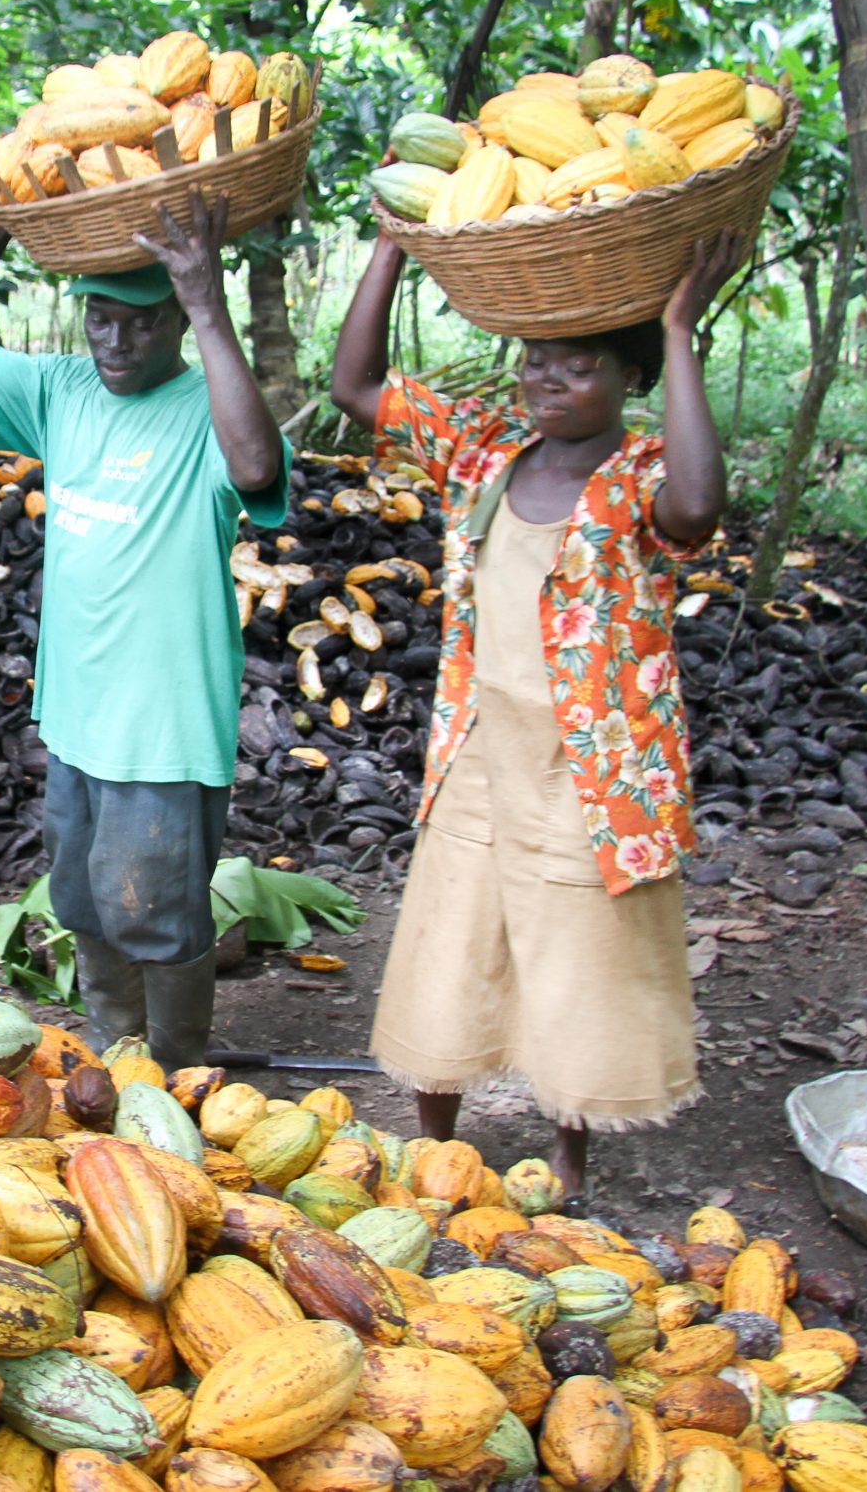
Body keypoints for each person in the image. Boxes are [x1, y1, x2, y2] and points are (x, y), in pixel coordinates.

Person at [326, 228, 747, 1200]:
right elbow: (358, 389)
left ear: (627, 381)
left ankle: (568, 1155)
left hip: (592, 771)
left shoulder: (637, 477)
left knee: (580, 969)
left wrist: (678, 326)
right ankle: (438, 1140)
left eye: (579, 365)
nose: (545, 380)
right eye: (536, 359)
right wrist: (391, 248)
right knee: (451, 947)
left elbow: (696, 507)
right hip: (478, 751)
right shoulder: (484, 455)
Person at [0, 192, 291, 1071]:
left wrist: (208, 305)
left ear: (175, 321)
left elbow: (258, 466)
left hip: (162, 722)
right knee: (85, 899)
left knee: (153, 907)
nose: (114, 343)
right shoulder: (61, 390)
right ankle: (113, 1054)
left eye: (140, 322)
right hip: (78, 712)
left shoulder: (208, 408)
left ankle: (178, 1066)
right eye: (99, 318)